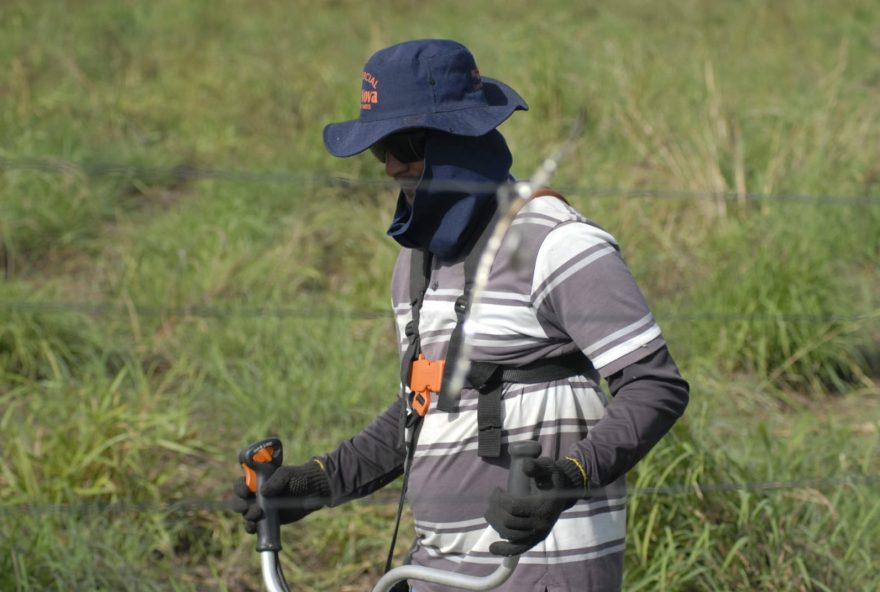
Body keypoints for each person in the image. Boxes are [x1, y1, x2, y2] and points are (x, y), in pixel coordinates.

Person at [233, 39, 689, 592]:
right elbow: (423, 412)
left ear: (460, 139)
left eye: (403, 144)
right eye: (380, 152)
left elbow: (654, 385)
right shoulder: (416, 265)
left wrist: (572, 477)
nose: (391, 167)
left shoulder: (556, 241)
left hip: (538, 571)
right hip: (433, 569)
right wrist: (319, 481)